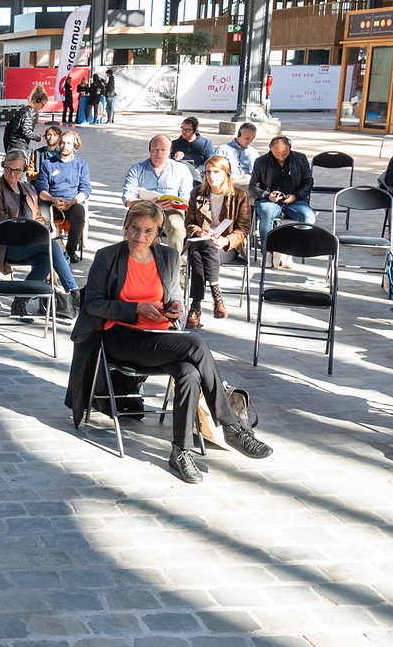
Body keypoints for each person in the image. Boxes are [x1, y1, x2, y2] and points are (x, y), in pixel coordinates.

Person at [63, 200, 272, 483]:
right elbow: (93, 304)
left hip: (159, 335)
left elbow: (174, 298)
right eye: (134, 229)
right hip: (118, 337)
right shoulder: (108, 256)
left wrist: (173, 308)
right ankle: (231, 427)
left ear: (158, 233)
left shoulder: (168, 257)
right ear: (126, 227)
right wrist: (135, 308)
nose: (140, 236)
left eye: (148, 231)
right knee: (196, 344)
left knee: (188, 372)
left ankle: (181, 451)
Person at [0, 149, 77, 315]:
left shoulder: (27, 188)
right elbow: (1, 222)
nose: (12, 173)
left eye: (17, 170)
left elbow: (38, 217)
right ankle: (74, 292)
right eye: (8, 169)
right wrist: (29, 232)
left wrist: (39, 231)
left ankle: (20, 302)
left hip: (29, 244)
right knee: (52, 245)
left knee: (46, 261)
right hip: (3, 245)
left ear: (23, 170)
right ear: (3, 167)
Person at [122, 135, 196, 292]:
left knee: (177, 228)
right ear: (149, 150)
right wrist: (148, 203)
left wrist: (174, 202)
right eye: (155, 150)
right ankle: (135, 266)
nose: (158, 153)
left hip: (171, 210)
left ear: (170, 151)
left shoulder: (181, 169)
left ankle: (177, 267)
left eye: (163, 150)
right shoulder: (137, 168)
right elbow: (127, 198)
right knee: (133, 229)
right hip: (144, 210)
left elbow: (187, 197)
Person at [185, 155, 251, 327]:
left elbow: (243, 228)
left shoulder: (240, 196)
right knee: (203, 247)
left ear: (226, 174)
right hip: (202, 243)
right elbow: (189, 223)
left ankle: (195, 307)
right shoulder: (197, 194)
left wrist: (226, 240)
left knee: (200, 253)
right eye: (208, 172)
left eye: (216, 172)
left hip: (226, 247)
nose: (211, 176)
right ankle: (217, 297)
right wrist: (200, 231)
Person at [248, 135, 315, 264]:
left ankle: (289, 251)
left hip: (294, 199)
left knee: (308, 217)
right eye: (277, 154)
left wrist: (295, 196)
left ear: (290, 147)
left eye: (284, 153)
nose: (281, 157)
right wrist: (267, 195)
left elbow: (309, 182)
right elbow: (252, 187)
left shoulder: (300, 159)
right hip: (269, 200)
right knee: (266, 213)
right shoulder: (261, 161)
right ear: (270, 150)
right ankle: (268, 251)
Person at [36, 128, 92, 266]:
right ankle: (51, 250)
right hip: (51, 201)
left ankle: (70, 251)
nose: (64, 146)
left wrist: (72, 202)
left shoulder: (81, 165)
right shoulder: (48, 164)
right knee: (42, 216)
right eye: (62, 143)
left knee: (80, 214)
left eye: (68, 143)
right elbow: (41, 190)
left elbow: (85, 190)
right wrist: (53, 200)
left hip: (71, 201)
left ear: (75, 146)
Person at [1, 86, 46, 160]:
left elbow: (8, 128)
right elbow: (26, 131)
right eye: (42, 104)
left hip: (12, 145)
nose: (42, 107)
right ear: (37, 101)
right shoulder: (30, 112)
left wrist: (7, 147)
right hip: (19, 146)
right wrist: (38, 138)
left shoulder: (23, 109)